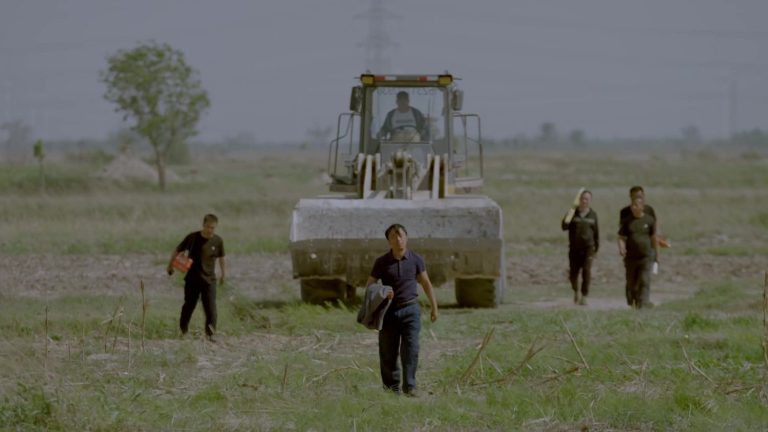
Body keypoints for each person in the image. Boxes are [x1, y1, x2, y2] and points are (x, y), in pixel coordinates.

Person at [366, 223, 438, 396]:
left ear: (406, 237)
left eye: (400, 235)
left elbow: (426, 283)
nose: (397, 239)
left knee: (411, 350)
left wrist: (434, 308)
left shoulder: (416, 260)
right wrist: (381, 293)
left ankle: (410, 387)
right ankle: (392, 390)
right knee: (388, 352)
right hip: (388, 313)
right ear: (388, 241)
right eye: (393, 236)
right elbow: (369, 285)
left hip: (411, 310)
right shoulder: (381, 262)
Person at [167, 214, 226, 340]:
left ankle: (210, 335)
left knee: (211, 308)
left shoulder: (218, 241)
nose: (210, 230)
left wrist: (223, 274)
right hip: (192, 279)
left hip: (209, 280)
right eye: (208, 227)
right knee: (189, 305)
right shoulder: (192, 237)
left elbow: (221, 258)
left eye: (213, 228)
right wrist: (170, 266)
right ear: (203, 225)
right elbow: (178, 250)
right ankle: (183, 331)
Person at [561, 190, 599, 305]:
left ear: (590, 201)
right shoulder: (573, 213)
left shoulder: (593, 215)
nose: (584, 201)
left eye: (587, 199)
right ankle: (575, 291)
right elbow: (564, 226)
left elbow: (596, 233)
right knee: (573, 273)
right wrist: (571, 211)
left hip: (588, 248)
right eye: (582, 198)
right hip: (574, 249)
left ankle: (584, 296)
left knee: (586, 271)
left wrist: (596, 248)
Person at [618, 198, 657, 309]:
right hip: (630, 257)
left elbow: (653, 238)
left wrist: (655, 253)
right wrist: (622, 248)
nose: (633, 207)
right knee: (631, 282)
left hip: (645, 256)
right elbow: (621, 237)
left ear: (642, 207)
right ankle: (632, 302)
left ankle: (643, 303)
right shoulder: (627, 221)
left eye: (636, 205)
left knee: (644, 280)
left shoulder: (649, 220)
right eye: (632, 205)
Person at [619, 186, 660, 265]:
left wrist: (658, 238)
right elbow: (622, 232)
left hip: (647, 247)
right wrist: (622, 247)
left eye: (641, 196)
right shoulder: (625, 212)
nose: (639, 198)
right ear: (631, 197)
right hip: (631, 249)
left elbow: (655, 227)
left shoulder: (649, 210)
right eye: (636, 197)